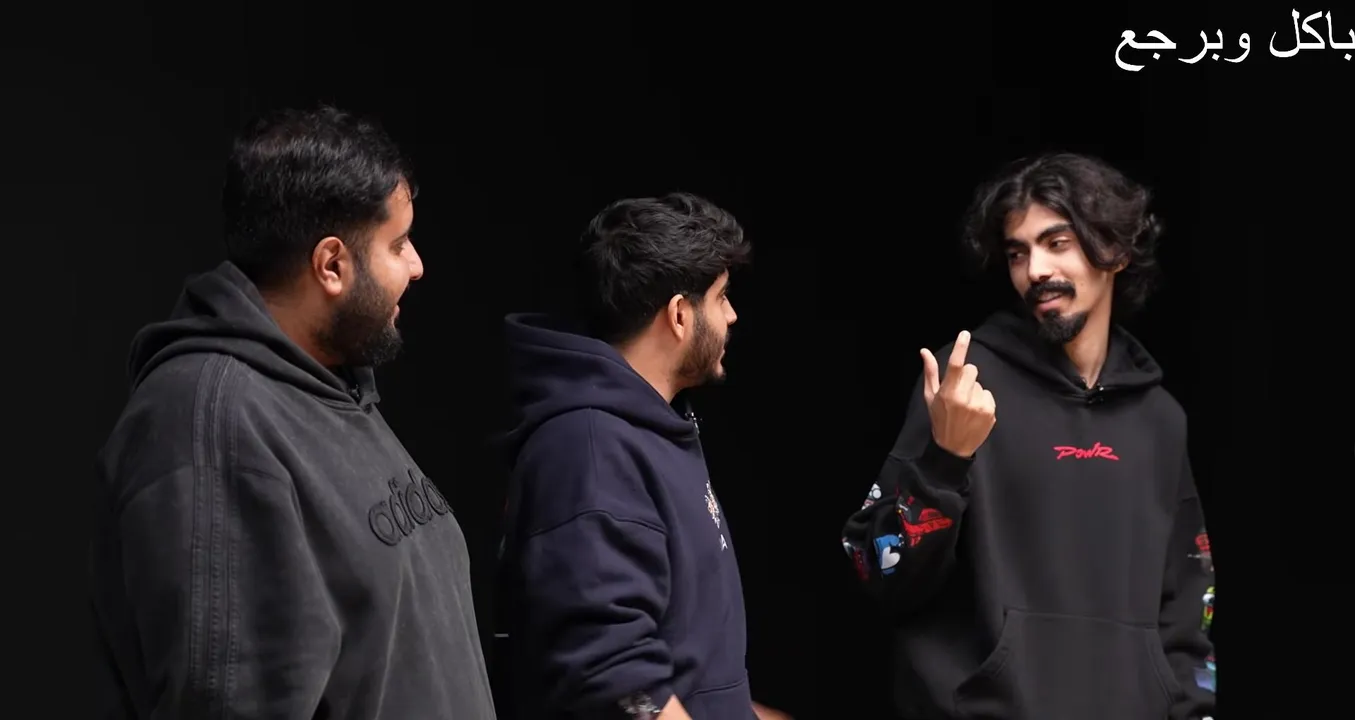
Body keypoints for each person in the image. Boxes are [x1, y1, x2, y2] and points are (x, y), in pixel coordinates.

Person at [89, 106, 497, 718]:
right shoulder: (214, 429)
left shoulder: (330, 391)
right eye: (397, 244)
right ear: (331, 265)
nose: (417, 266)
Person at [841, 152, 1216, 719]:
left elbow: (1189, 610)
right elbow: (878, 571)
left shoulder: (1161, 419)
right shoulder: (965, 386)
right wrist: (945, 460)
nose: (1034, 269)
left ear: (1117, 251)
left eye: (1057, 242)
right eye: (1018, 253)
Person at [494, 193, 787, 720]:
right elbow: (611, 671)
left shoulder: (647, 429)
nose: (732, 315)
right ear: (679, 315)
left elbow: (685, 661)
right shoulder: (590, 450)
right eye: (721, 298)